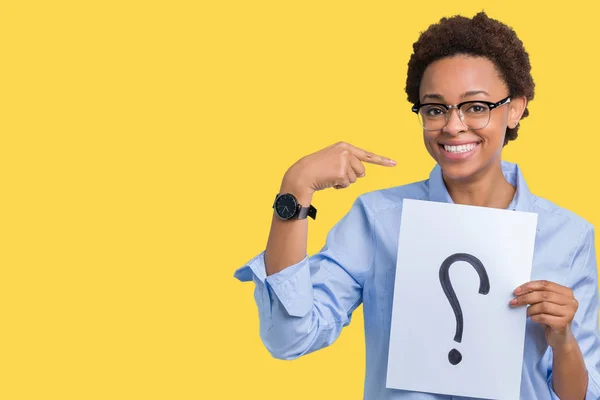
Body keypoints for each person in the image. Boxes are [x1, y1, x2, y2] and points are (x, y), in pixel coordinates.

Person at [234, 11, 600, 399]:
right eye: (435, 109)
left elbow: (583, 394)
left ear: (514, 109)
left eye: (476, 106)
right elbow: (290, 337)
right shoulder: (378, 220)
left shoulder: (568, 236)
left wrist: (563, 341)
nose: (453, 126)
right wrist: (295, 188)